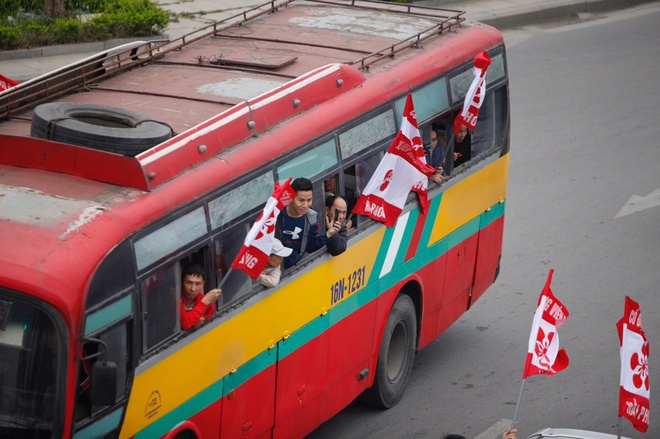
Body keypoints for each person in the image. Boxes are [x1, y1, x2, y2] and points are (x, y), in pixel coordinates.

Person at [276, 177, 339, 269]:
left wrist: (329, 234)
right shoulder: (277, 212)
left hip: (290, 266)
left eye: (309, 200)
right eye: (301, 200)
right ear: (291, 198)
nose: (305, 205)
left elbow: (310, 246)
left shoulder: (312, 217)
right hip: (273, 263)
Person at [180, 262, 222, 330]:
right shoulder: (175, 298)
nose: (193, 289)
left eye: (198, 284)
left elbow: (210, 312)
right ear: (182, 282)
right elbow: (186, 323)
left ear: (203, 284)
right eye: (189, 283)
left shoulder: (201, 299)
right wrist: (206, 300)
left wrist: (202, 318)